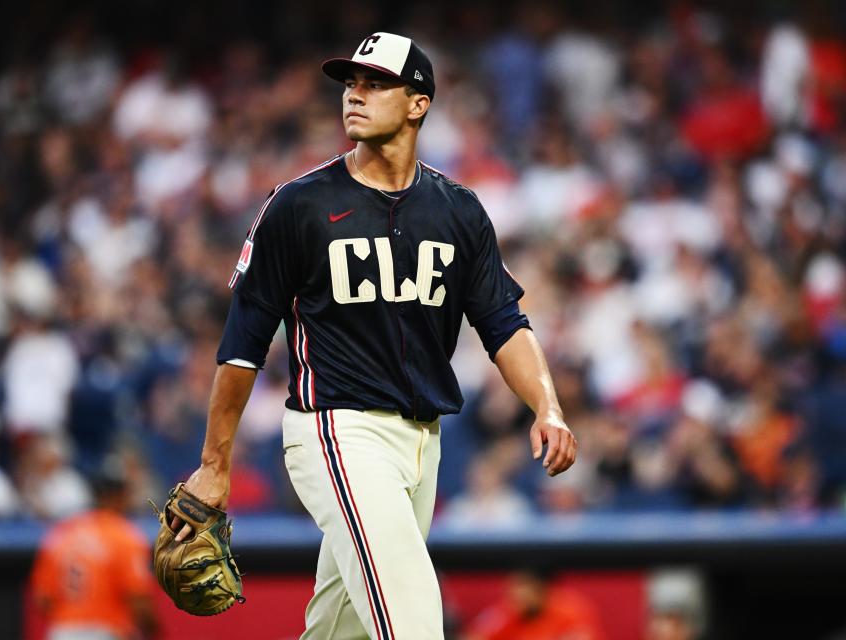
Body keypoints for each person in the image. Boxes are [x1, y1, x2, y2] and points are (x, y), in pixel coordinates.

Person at [172, 32, 578, 639]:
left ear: (418, 103)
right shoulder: (299, 205)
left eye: (375, 83)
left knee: (343, 629)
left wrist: (547, 404)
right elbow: (242, 342)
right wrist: (214, 464)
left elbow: (503, 323)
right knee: (412, 621)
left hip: (423, 442)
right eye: (350, 83)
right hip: (339, 429)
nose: (354, 95)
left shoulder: (458, 210)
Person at [31, 457, 158, 640]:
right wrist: (154, 631)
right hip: (106, 630)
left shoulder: (62, 533)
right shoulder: (124, 535)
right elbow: (138, 599)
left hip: (62, 631)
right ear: (119, 495)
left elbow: (42, 599)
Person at [464, 568, 605, 640]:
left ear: (542, 590)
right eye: (514, 589)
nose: (518, 596)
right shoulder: (505, 611)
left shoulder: (571, 609)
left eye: (525, 589)